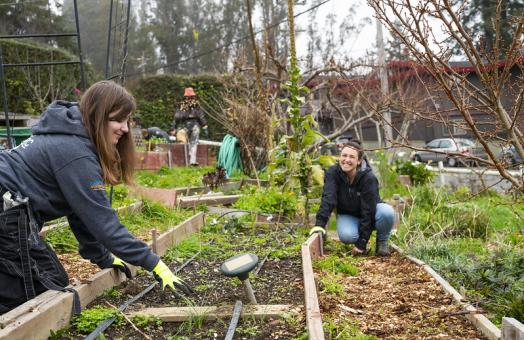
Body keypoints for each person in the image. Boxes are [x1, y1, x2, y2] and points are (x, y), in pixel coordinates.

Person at [0, 80, 192, 314]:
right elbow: (105, 226)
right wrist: (155, 264)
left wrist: (103, 258)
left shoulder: (73, 140)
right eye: (117, 120)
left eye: (127, 120)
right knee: (35, 293)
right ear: (97, 116)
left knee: (50, 280)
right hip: (6, 209)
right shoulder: (76, 154)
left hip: (10, 209)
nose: (125, 128)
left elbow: (81, 213)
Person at [309, 140, 395, 256]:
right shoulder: (333, 173)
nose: (347, 160)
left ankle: (382, 241)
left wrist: (362, 244)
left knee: (387, 212)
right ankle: (358, 234)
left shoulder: (368, 178)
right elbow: (328, 198)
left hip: (371, 214)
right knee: (347, 236)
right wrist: (319, 225)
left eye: (352, 157)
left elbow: (368, 211)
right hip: (349, 215)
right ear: (340, 156)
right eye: (344, 155)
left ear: (359, 161)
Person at [170, 87, 208, 166]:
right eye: (189, 97)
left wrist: (205, 126)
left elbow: (201, 116)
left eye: (191, 97)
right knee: (184, 142)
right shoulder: (182, 106)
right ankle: (186, 161)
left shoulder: (196, 106)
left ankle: (192, 162)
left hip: (194, 126)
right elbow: (176, 118)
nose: (190, 99)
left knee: (193, 143)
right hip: (185, 127)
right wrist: (173, 128)